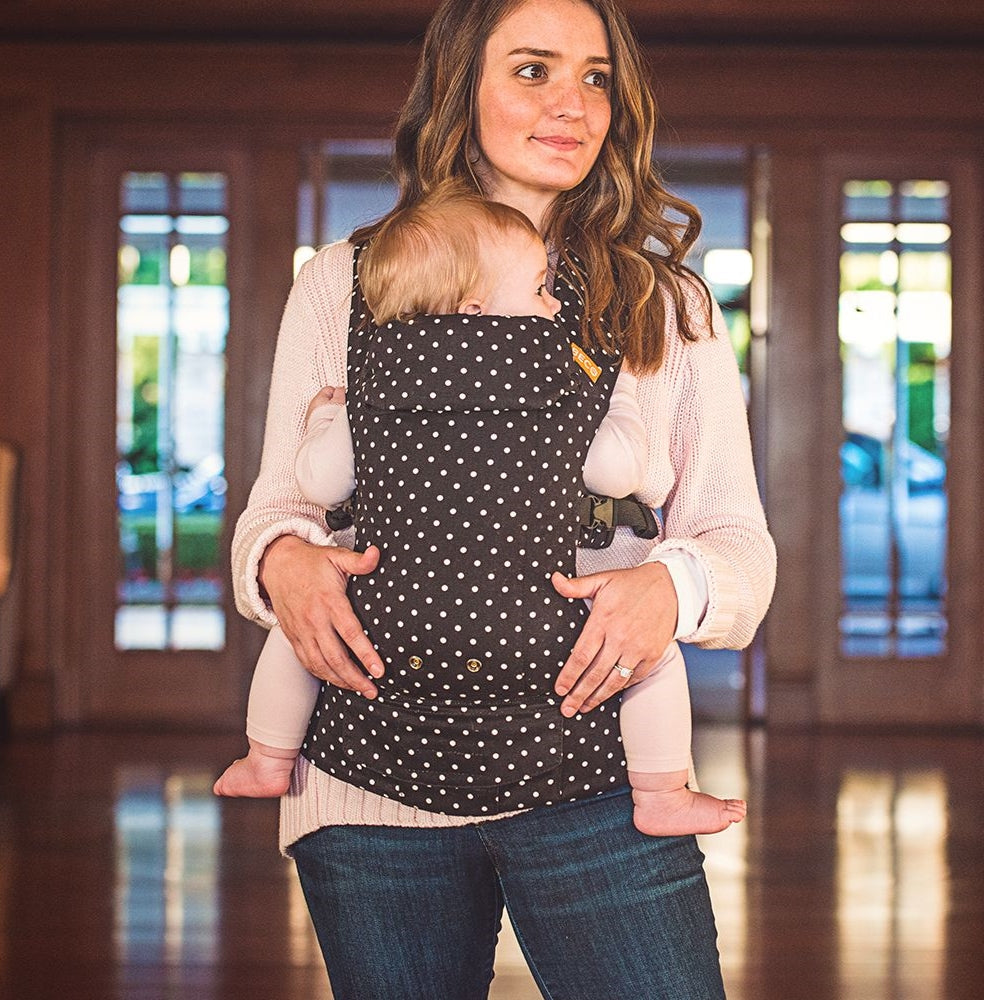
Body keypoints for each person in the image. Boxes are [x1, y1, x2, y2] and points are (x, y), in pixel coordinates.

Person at [231, 0, 776, 996]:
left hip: (601, 771)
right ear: (458, 88)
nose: (572, 103)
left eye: (596, 76)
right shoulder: (340, 283)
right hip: (367, 775)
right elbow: (279, 507)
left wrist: (674, 587)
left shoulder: (664, 305)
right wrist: (281, 563)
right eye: (532, 70)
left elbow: (738, 540)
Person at [217, 181, 747, 840]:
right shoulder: (557, 371)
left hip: (389, 631)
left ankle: (267, 755)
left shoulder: (377, 372)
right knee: (655, 664)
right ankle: (662, 791)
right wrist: (624, 409)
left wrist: (327, 416)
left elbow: (318, 483)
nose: (550, 302)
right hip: (551, 642)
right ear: (477, 302)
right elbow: (616, 470)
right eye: (538, 289)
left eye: (595, 79)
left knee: (290, 646)